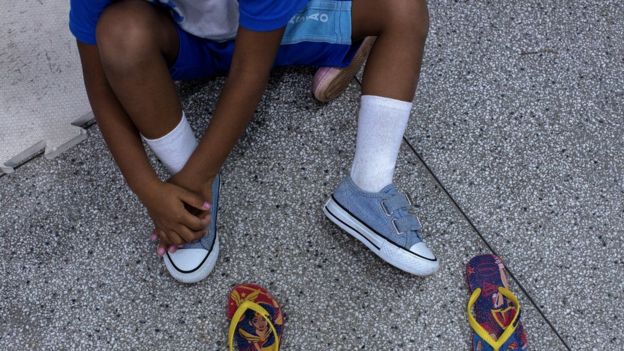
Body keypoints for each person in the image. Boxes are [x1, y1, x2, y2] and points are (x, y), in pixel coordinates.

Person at [70, 0, 438, 283]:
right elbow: (99, 83)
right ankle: (190, 197)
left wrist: (191, 180)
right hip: (186, 42)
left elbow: (250, 72)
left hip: (281, 32)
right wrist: (148, 190)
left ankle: (368, 186)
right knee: (119, 34)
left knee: (403, 8)